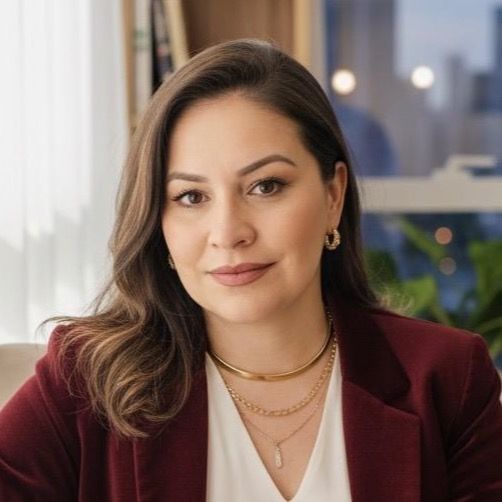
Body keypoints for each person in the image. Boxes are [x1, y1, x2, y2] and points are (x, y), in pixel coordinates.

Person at [1, 38, 501, 502]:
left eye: (265, 186)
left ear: (333, 195)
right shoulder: (84, 382)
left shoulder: (447, 378)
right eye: (191, 196)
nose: (228, 232)